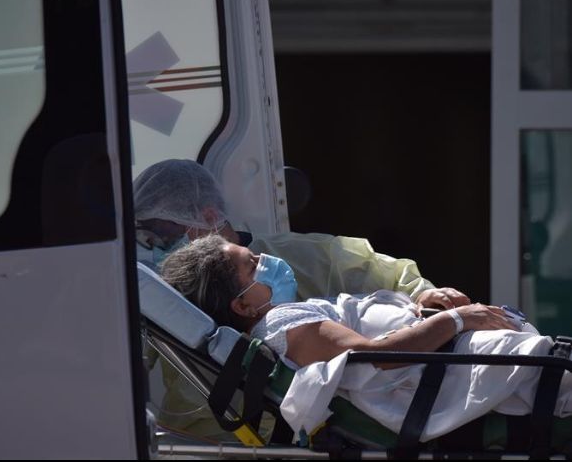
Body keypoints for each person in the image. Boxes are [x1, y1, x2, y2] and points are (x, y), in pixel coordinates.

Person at [134, 159, 472, 439]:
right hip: (211, 436)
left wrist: (426, 295)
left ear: (207, 218)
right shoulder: (168, 292)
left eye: (164, 232)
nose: (157, 245)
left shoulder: (310, 257)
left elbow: (397, 278)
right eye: (148, 235)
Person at [160, 235, 570, 441]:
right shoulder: (282, 328)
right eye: (253, 265)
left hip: (469, 364)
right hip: (474, 371)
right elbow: (374, 356)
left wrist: (419, 305)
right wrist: (459, 320)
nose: (266, 260)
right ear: (243, 306)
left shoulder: (283, 321)